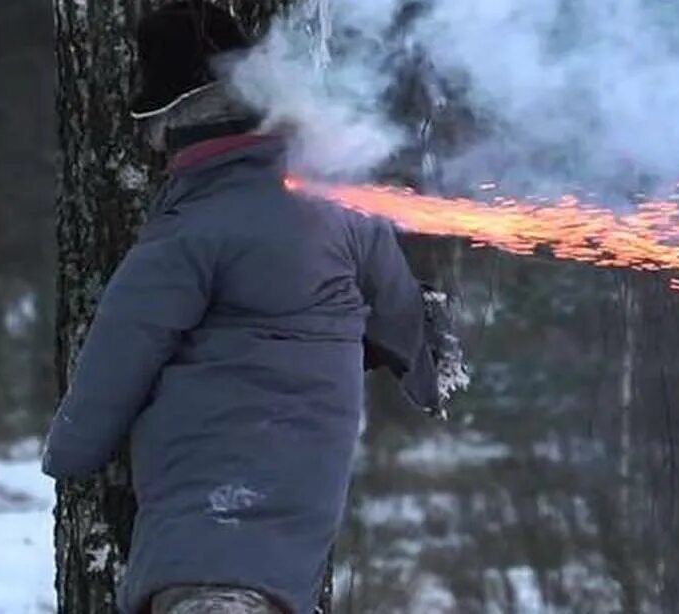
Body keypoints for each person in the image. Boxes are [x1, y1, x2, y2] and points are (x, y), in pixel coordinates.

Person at [41, 3, 463, 614]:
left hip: (203, 523)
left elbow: (117, 357)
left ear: (173, 124)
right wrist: (426, 375)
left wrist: (69, 451)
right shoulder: (345, 212)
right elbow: (403, 315)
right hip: (302, 517)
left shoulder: (187, 235)